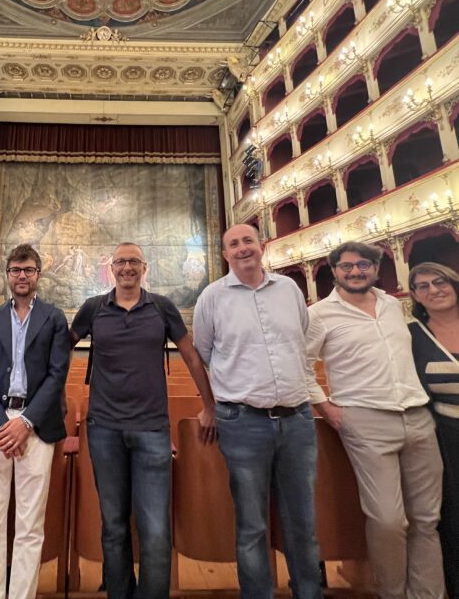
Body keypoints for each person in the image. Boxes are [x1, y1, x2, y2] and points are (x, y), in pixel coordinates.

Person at [70, 241, 216, 599]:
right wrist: (60, 395)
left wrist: (210, 405)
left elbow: (193, 359)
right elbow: (61, 349)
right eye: (121, 262)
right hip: (103, 428)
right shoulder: (93, 308)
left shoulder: (163, 308)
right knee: (114, 525)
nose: (127, 268)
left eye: (134, 262)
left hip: (152, 428)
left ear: (144, 267)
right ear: (112, 268)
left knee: (154, 528)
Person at [306, 242, 444, 599]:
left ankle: (426, 594)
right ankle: (393, 593)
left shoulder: (394, 306)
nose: (355, 271)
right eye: (346, 266)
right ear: (333, 270)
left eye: (363, 264)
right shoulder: (320, 314)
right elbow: (300, 366)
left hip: (418, 417)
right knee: (388, 520)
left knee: (427, 520)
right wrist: (329, 410)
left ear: (376, 268)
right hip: (366, 421)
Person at [193, 223, 322, 599]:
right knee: (252, 525)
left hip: (297, 420)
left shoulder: (289, 289)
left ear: (261, 246)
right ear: (225, 255)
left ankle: (309, 593)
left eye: (248, 240)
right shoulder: (212, 298)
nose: (242, 248)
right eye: (233, 244)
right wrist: (212, 404)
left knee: (303, 522)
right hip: (242, 423)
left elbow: (300, 334)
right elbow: (204, 353)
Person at [0, 244, 70, 599]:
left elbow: (57, 375)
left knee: (29, 524)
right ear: (7, 275)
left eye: (28, 269)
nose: (21, 276)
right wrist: (0, 424)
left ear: (38, 275)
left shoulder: (54, 317)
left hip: (36, 425)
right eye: (15, 270)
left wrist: (24, 422)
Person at [408, 261, 459, 599]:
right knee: (452, 513)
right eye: (423, 286)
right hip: (445, 434)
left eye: (439, 282)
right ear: (414, 296)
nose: (433, 290)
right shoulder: (411, 335)